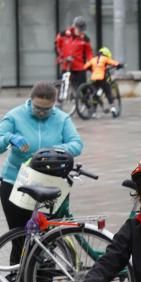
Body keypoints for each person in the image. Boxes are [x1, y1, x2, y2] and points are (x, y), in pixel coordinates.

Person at [0, 82, 83, 249]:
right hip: (15, 182)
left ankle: (43, 274)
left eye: (46, 110)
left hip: (50, 184)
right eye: (37, 108)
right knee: (20, 238)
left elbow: (77, 144)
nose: (41, 113)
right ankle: (19, 274)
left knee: (47, 239)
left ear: (53, 104)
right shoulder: (14, 116)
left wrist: (54, 151)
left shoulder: (61, 118)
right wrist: (8, 138)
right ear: (30, 100)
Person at [54, 16, 94, 90]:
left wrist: (91, 63)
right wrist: (60, 57)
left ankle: (83, 100)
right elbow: (57, 46)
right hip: (66, 64)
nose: (81, 31)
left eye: (82, 30)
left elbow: (89, 53)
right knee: (62, 85)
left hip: (79, 66)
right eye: (79, 29)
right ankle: (60, 99)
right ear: (74, 26)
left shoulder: (85, 39)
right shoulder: (63, 35)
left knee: (82, 88)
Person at [83, 47, 123, 116]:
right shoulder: (105, 58)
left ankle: (94, 112)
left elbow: (85, 67)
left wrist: (92, 69)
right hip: (102, 78)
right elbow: (114, 63)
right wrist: (120, 65)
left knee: (95, 93)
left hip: (93, 78)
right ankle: (113, 109)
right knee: (108, 91)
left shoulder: (93, 59)